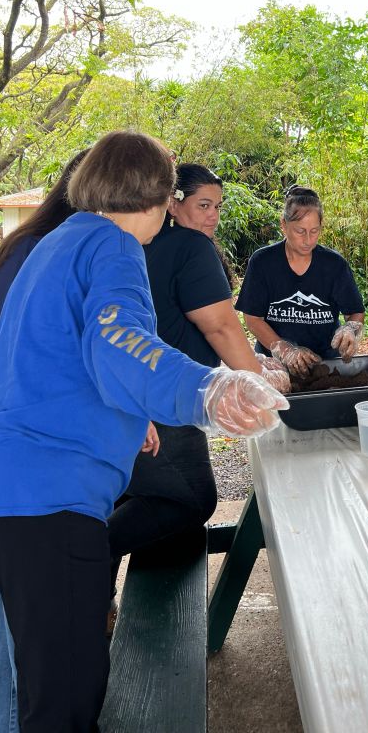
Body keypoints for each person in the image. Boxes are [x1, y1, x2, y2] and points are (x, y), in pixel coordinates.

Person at [0, 131, 288, 733]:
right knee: (66, 698)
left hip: (4, 483)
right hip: (46, 497)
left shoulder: (56, 241)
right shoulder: (115, 246)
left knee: (51, 679)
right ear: (164, 198)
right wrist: (207, 390)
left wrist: (126, 411)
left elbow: (44, 356)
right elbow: (122, 340)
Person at [108, 163, 288, 596]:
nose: (212, 216)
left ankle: (95, 602)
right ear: (173, 202)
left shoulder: (136, 246)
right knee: (191, 497)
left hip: (122, 393)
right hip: (170, 398)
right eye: (203, 205)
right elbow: (221, 327)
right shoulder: (190, 247)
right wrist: (259, 377)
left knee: (127, 494)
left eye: (218, 207)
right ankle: (80, 556)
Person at [0, 151, 89, 733]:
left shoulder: (84, 246)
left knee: (28, 585)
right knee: (16, 592)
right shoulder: (38, 246)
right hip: (2, 418)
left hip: (30, 423)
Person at [237, 186, 365, 376]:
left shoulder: (334, 265)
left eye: (314, 231)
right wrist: (286, 350)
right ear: (283, 225)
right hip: (274, 366)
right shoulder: (263, 262)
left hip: (324, 365)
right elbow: (253, 319)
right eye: (300, 231)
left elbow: (355, 311)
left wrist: (349, 329)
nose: (308, 240)